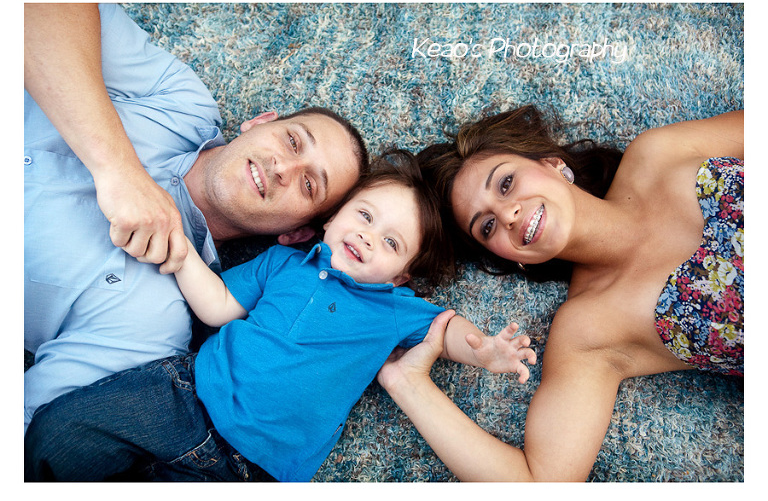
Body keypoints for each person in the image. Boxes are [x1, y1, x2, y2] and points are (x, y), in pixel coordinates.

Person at [24, 152, 536, 482]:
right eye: (364, 216)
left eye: (391, 243)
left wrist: (484, 350)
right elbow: (219, 306)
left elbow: (446, 329)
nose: (366, 236)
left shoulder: (393, 308)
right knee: (58, 435)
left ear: (401, 275)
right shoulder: (282, 263)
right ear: (332, 218)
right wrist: (180, 253)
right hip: (186, 395)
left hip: (252, 469)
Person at [24, 3, 368, 432]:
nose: (284, 168)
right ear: (259, 122)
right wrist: (119, 171)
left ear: (296, 232)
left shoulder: (154, 324)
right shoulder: (180, 102)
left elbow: (32, 439)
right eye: (293, 142)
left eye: (309, 185)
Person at [376, 105, 743, 481]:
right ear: (509, 257)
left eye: (506, 183)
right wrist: (407, 384)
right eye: (487, 227)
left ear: (552, 163)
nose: (507, 215)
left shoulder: (658, 153)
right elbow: (541, 482)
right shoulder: (590, 329)